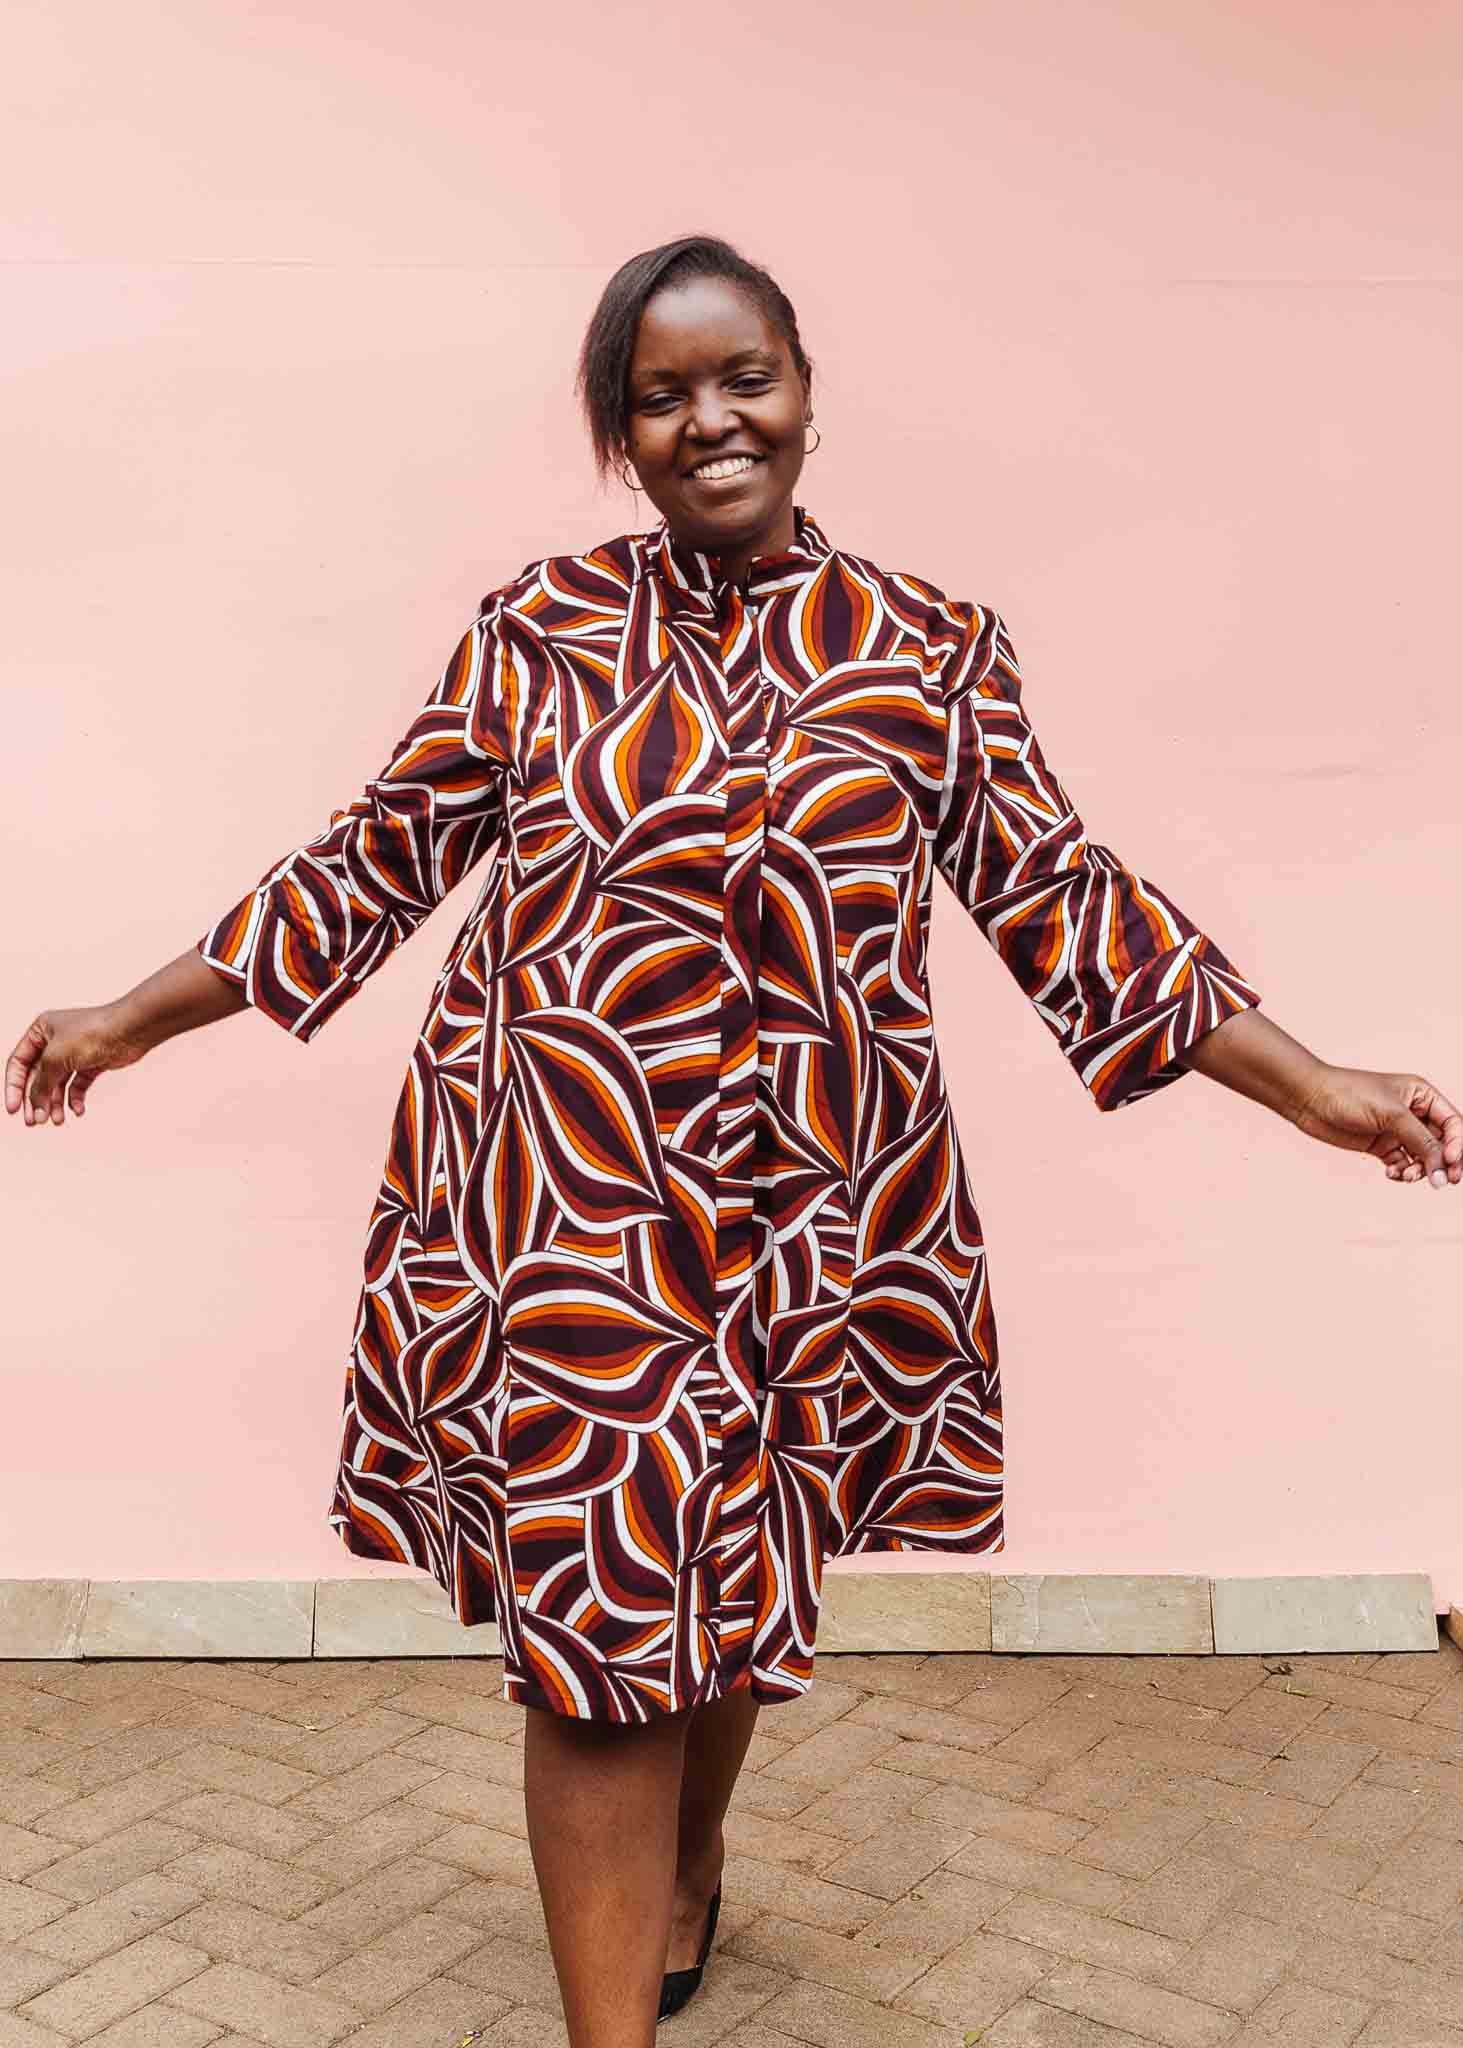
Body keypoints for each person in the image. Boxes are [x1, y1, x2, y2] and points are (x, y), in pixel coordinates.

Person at [7, 232, 1459, 2048]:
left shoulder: (929, 648)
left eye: (741, 378)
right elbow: (367, 861)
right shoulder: (539, 632)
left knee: (749, 1574)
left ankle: (692, 1864)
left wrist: (1315, 1085)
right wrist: (125, 1021)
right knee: (607, 1642)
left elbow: (1066, 898)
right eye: (661, 397)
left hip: (818, 1218)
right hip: (571, 1212)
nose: (711, 422)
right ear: (622, 439)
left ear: (805, 391)